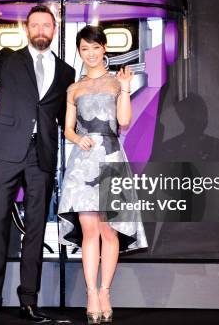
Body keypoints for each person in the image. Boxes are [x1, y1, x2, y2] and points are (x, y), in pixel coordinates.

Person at [0, 0, 75, 325]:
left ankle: (29, 303)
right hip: (6, 151)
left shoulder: (67, 72)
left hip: (41, 157)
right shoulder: (9, 58)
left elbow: (68, 117)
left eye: (47, 24)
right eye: (35, 24)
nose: (41, 29)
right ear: (27, 29)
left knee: (36, 230)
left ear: (55, 29)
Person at [57, 25, 147, 324]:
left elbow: (123, 121)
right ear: (79, 51)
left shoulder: (115, 82)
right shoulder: (74, 88)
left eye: (96, 48)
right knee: (89, 231)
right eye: (85, 48)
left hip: (110, 157)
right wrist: (76, 139)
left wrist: (124, 88)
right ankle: (91, 293)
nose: (91, 53)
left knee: (110, 231)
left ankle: (105, 291)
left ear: (104, 48)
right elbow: (68, 128)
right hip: (83, 162)